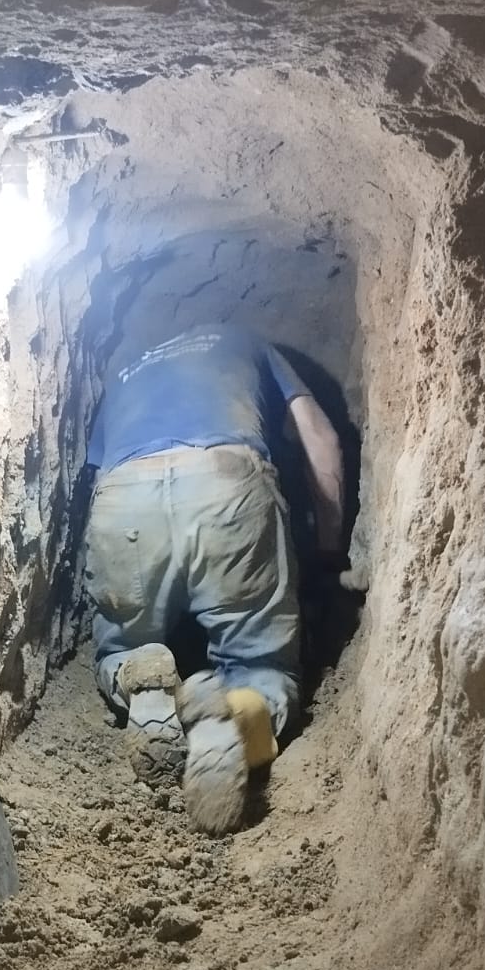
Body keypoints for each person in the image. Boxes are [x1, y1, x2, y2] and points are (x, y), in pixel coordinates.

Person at [84, 322, 345, 834]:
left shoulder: (123, 374)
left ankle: (140, 678)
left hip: (124, 496)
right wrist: (331, 551)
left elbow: (97, 475)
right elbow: (320, 437)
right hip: (223, 481)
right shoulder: (249, 341)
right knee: (262, 664)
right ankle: (238, 712)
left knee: (121, 645)